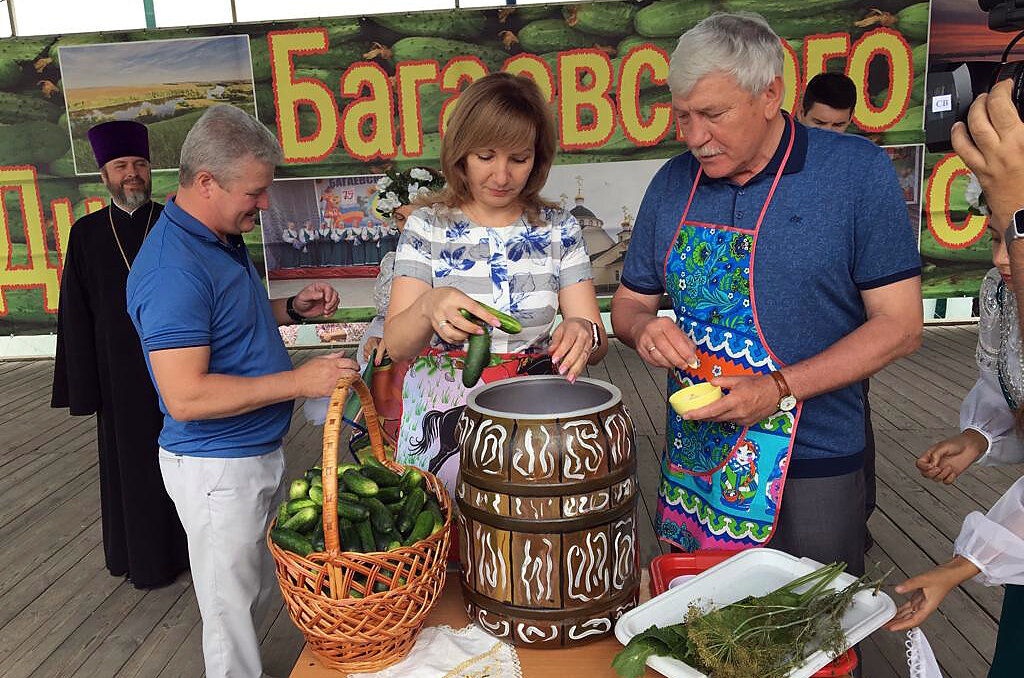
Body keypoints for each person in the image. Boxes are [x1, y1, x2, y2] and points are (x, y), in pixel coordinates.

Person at [610, 12, 922, 576]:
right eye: (682, 116)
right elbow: (630, 302)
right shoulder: (671, 182)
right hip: (698, 459)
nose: (694, 137)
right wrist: (642, 327)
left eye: (713, 114)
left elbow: (899, 326)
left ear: (770, 94)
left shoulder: (857, 174)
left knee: (811, 636)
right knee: (702, 633)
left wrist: (777, 388)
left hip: (816, 463)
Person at [125, 105, 358, 678]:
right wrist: (301, 381)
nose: (265, 203)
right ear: (206, 182)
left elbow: (225, 322)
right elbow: (186, 396)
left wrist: (288, 309)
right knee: (229, 614)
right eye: (256, 192)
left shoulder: (216, 236)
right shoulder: (172, 268)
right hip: (216, 470)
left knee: (249, 592)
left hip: (249, 452)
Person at [383, 72, 608, 490]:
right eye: (486, 156)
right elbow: (395, 345)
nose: (502, 176)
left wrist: (584, 332)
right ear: (461, 153)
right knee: (441, 541)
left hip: (538, 413)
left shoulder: (560, 229)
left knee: (531, 538)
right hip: (442, 415)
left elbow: (595, 341)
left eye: (518, 159)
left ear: (537, 159)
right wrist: (427, 306)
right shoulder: (425, 226)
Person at [886, 77, 1024, 677]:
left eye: (1013, 237)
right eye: (995, 235)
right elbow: (1010, 397)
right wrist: (982, 437)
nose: (1001, 257)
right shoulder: (1002, 292)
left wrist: (960, 565)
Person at [51, 119, 188, 590]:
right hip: (119, 374)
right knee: (133, 466)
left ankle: (190, 551)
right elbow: (76, 312)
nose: (133, 174)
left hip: (182, 362)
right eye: (121, 165)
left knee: (184, 459)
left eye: (140, 164)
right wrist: (85, 388)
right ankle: (146, 559)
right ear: (104, 175)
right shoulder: (86, 233)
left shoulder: (175, 223)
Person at [797, 70, 878, 551]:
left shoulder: (858, 173)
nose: (828, 136)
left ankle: (854, 520)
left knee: (852, 428)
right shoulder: (780, 172)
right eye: (818, 125)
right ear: (798, 112)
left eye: (839, 127)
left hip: (843, 344)